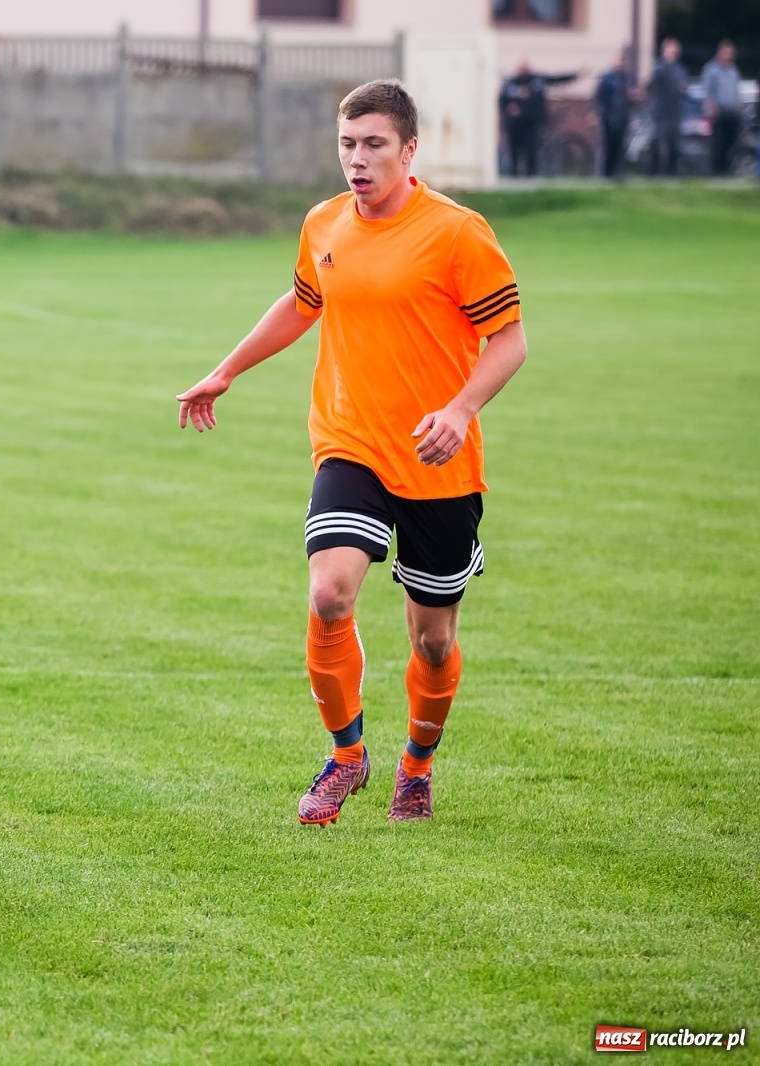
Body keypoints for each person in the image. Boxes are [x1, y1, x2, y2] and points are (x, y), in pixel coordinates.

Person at [176, 79, 528, 825]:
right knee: (329, 593)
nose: (358, 161)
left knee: (432, 642)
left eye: (373, 145)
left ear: (409, 150)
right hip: (351, 444)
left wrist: (460, 410)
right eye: (347, 144)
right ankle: (346, 758)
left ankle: (417, 766)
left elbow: (511, 341)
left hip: (437, 461)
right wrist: (226, 369)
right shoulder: (325, 223)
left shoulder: (458, 232)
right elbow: (302, 303)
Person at [500, 60, 579, 177]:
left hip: (531, 123)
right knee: (514, 151)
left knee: (531, 150)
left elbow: (556, 79)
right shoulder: (511, 83)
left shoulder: (537, 80)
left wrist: (575, 75)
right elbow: (501, 100)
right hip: (514, 125)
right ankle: (514, 176)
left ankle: (531, 176)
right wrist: (509, 107)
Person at [646, 38, 689, 176]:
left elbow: (683, 86)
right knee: (657, 142)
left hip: (675, 112)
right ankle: (653, 173)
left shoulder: (680, 69)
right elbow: (654, 80)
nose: (676, 51)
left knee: (674, 144)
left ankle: (673, 173)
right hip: (660, 112)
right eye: (672, 48)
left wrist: (683, 89)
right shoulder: (659, 66)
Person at [702, 40, 742, 174]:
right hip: (718, 113)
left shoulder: (733, 70)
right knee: (718, 144)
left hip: (732, 113)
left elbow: (736, 91)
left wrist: (738, 105)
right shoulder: (711, 70)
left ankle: (727, 169)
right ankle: (716, 170)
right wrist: (711, 108)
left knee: (730, 143)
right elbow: (708, 92)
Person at [594, 51, 634, 179]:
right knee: (608, 145)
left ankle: (619, 173)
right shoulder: (606, 78)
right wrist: (594, 112)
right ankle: (606, 173)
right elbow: (597, 96)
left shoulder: (628, 78)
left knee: (621, 146)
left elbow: (633, 95)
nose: (619, 63)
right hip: (608, 115)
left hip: (623, 116)